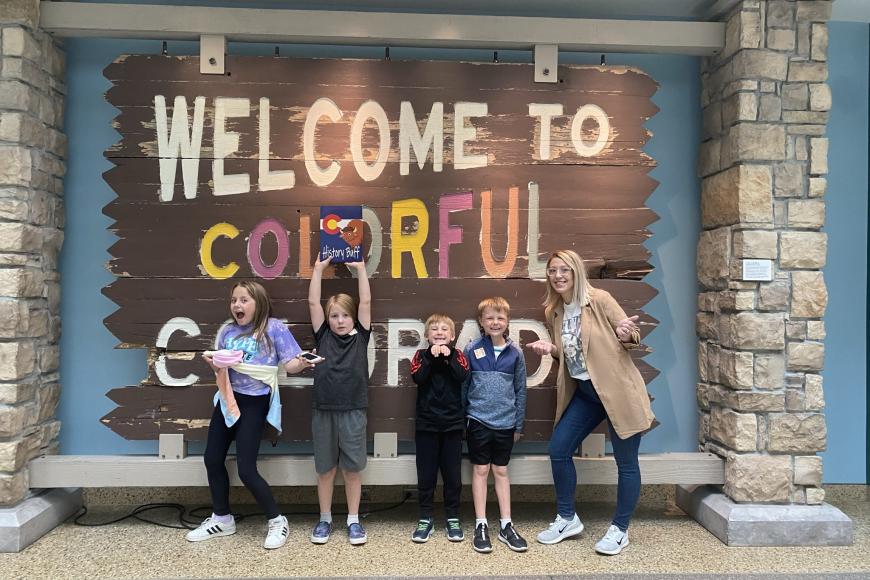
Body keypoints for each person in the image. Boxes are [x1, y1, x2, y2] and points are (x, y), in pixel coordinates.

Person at [527, 250, 655, 556]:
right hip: (585, 394)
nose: (557, 276)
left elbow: (631, 332)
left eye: (564, 270)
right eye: (552, 271)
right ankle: (567, 518)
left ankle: (620, 530)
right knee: (558, 450)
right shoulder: (554, 311)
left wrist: (627, 333)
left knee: (626, 464)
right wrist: (552, 349)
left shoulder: (599, 299)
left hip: (617, 392)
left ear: (576, 273)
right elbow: (573, 353)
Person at [186, 280, 316, 549]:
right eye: (234, 300)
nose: (237, 305)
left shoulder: (273, 328)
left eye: (244, 300)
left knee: (246, 469)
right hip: (227, 399)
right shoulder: (228, 332)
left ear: (259, 302)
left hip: (254, 403)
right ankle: (222, 518)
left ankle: (277, 520)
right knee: (212, 458)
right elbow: (223, 367)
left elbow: (289, 364)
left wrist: (302, 363)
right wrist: (214, 364)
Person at [307, 257, 372, 546]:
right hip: (323, 411)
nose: (340, 321)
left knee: (351, 470)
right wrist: (318, 270)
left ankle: (353, 520)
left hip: (353, 411)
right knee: (326, 470)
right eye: (334, 316)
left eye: (345, 315)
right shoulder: (322, 336)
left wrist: (360, 270)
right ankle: (324, 519)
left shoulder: (361, 337)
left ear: (353, 316)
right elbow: (312, 304)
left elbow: (367, 302)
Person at [462, 297, 528, 554]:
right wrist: (463, 420)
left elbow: (521, 390)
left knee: (500, 471)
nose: (495, 322)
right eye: (489, 318)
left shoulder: (516, 354)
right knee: (480, 470)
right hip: (478, 420)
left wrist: (518, 424)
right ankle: (481, 524)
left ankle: (506, 524)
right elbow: (464, 387)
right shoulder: (472, 349)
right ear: (481, 321)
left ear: (507, 321)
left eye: (500, 318)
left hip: (506, 423)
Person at [409, 314, 470, 543]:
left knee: (452, 475)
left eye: (445, 329)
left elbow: (462, 375)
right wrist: (430, 359)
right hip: (426, 425)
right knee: (426, 475)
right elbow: (418, 377)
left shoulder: (459, 355)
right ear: (426, 335)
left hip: (452, 425)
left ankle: (452, 517)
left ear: (452, 336)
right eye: (434, 329)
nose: (439, 332)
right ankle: (426, 517)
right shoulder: (419, 355)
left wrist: (448, 357)